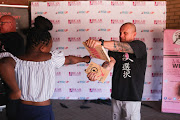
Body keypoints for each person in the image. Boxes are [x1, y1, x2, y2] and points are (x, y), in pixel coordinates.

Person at [0, 16, 90, 120]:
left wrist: (15, 90)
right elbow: (70, 60)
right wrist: (84, 59)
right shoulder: (51, 58)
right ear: (42, 47)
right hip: (43, 110)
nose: (51, 49)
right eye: (50, 46)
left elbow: (4, 63)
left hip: (21, 107)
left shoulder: (17, 60)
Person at [86, 22, 147, 120]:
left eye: (125, 33)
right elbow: (109, 63)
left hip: (132, 96)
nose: (121, 36)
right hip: (116, 94)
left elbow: (123, 47)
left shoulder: (140, 46)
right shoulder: (114, 49)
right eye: (120, 33)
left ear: (134, 34)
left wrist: (101, 43)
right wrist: (98, 73)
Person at [0, 15, 25, 120]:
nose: (0, 25)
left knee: (12, 100)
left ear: (11, 24)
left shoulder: (16, 39)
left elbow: (14, 59)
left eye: (2, 23)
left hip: (10, 78)